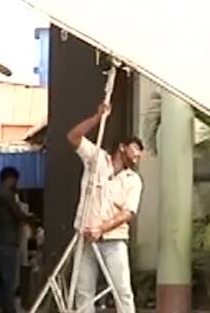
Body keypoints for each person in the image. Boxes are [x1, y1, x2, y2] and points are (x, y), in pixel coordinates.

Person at [68, 102, 144, 313]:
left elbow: (128, 213)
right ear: (122, 147)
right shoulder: (97, 159)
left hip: (114, 240)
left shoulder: (133, 180)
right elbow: (73, 137)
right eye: (136, 149)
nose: (138, 155)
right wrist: (98, 118)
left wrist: (101, 229)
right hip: (85, 237)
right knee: (83, 292)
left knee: (123, 291)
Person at [0, 166, 38, 313]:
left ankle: (0, 307)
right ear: (10, 179)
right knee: (10, 279)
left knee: (1, 279)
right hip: (9, 242)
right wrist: (31, 218)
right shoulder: (6, 194)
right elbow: (19, 215)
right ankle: (9, 309)